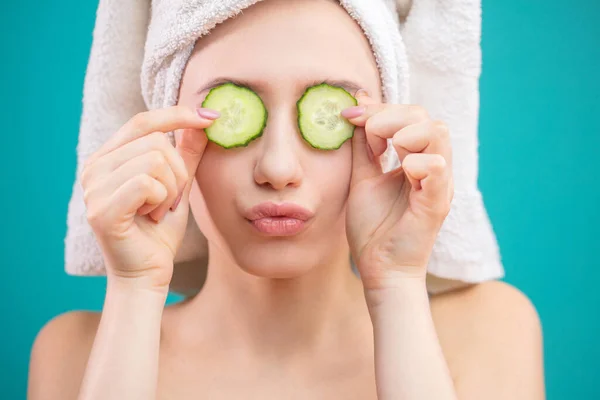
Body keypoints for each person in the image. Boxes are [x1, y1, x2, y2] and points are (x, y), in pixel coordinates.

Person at [28, 0, 544, 398]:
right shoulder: (72, 355)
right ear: (163, 128)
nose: (278, 168)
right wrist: (135, 290)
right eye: (229, 111)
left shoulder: (491, 332)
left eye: (330, 114)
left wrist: (397, 287)